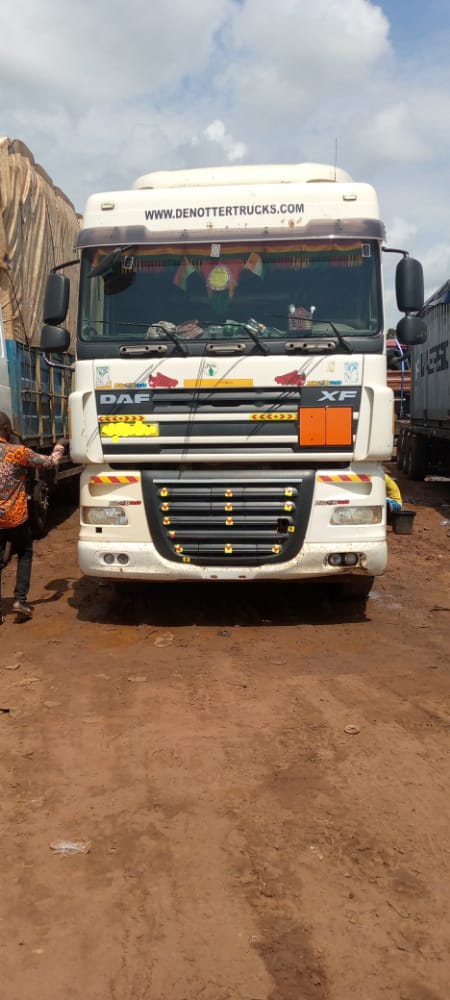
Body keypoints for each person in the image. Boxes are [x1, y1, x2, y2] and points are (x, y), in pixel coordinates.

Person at [0, 412, 68, 622]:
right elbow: (50, 463)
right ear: (6, 429)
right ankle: (20, 601)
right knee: (25, 553)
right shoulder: (17, 452)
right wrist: (60, 445)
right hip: (16, 517)